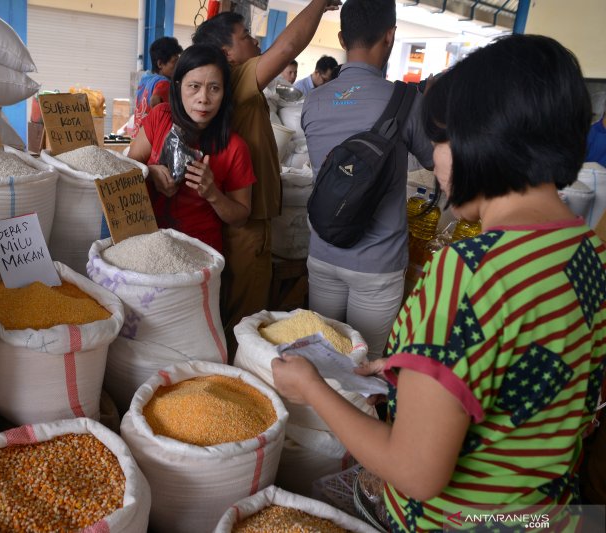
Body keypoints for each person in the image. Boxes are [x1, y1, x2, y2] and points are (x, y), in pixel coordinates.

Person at [273, 34, 604, 531]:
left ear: (485, 138)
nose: (435, 159)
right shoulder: (586, 249)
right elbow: (517, 371)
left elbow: (415, 473)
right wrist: (415, 370)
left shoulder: (469, 271)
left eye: (442, 141)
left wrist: (313, 389)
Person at [192, 0, 340, 352]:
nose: (256, 41)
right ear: (227, 54)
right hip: (245, 225)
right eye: (246, 36)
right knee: (243, 323)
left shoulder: (231, 86)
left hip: (242, 221)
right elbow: (287, 47)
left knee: (235, 315)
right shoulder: (237, 78)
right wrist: (318, 4)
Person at [300, 0, 433, 360]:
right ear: (390, 36)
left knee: (323, 357)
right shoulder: (407, 102)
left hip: (324, 250)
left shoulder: (313, 102)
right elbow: (436, 161)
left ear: (342, 38)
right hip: (378, 262)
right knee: (367, 365)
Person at [127, 44, 256, 253]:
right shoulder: (160, 116)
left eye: (214, 88)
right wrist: (150, 173)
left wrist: (212, 193)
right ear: (178, 86)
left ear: (225, 93)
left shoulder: (235, 148)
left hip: (198, 256)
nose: (203, 98)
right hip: (144, 244)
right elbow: (127, 169)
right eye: (194, 86)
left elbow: (241, 218)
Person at [130, 36, 183, 138]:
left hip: (138, 136)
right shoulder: (163, 83)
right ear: (160, 64)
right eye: (174, 61)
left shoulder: (146, 78)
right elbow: (154, 101)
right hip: (152, 138)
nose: (178, 65)